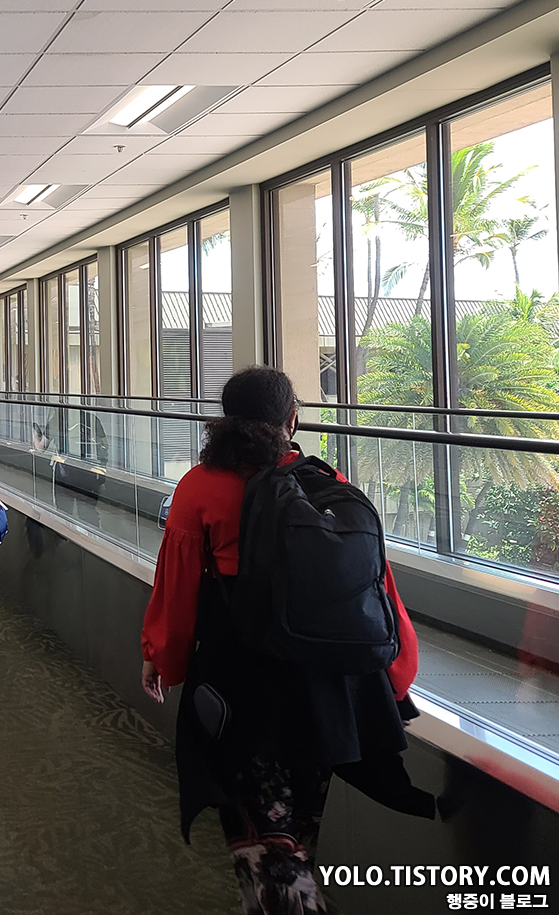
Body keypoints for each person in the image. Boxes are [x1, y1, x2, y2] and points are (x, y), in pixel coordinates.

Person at [140, 366, 423, 915]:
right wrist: (396, 675)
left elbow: (177, 590)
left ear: (224, 422)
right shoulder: (326, 483)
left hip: (242, 691)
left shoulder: (200, 486)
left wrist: (160, 656)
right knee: (296, 841)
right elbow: (375, 586)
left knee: (267, 854)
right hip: (324, 695)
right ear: (292, 420)